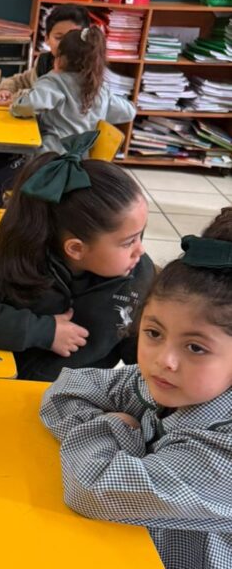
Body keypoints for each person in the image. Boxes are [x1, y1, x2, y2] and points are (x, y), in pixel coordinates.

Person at [41, 208, 232, 569]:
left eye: (195, 347)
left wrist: (113, 427)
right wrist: (111, 445)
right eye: (154, 333)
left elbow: (94, 489)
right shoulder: (159, 384)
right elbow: (67, 389)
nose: (164, 360)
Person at [0, 132, 154, 381]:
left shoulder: (139, 274)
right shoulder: (16, 253)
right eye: (128, 242)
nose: (140, 250)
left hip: (86, 393)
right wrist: (44, 331)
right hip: (9, 384)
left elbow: (138, 345)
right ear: (76, 248)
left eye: (140, 235)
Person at [10, 26, 136, 155]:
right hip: (83, 159)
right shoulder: (99, 88)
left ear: (60, 58)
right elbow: (129, 112)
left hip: (51, 157)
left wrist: (16, 102)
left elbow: (26, 106)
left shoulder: (55, 82)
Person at [0, 4, 90, 105]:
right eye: (59, 38)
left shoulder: (88, 69)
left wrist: (16, 98)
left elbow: (44, 98)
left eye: (72, 38)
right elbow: (22, 81)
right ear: (47, 39)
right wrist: (6, 90)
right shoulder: (44, 62)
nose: (65, 44)